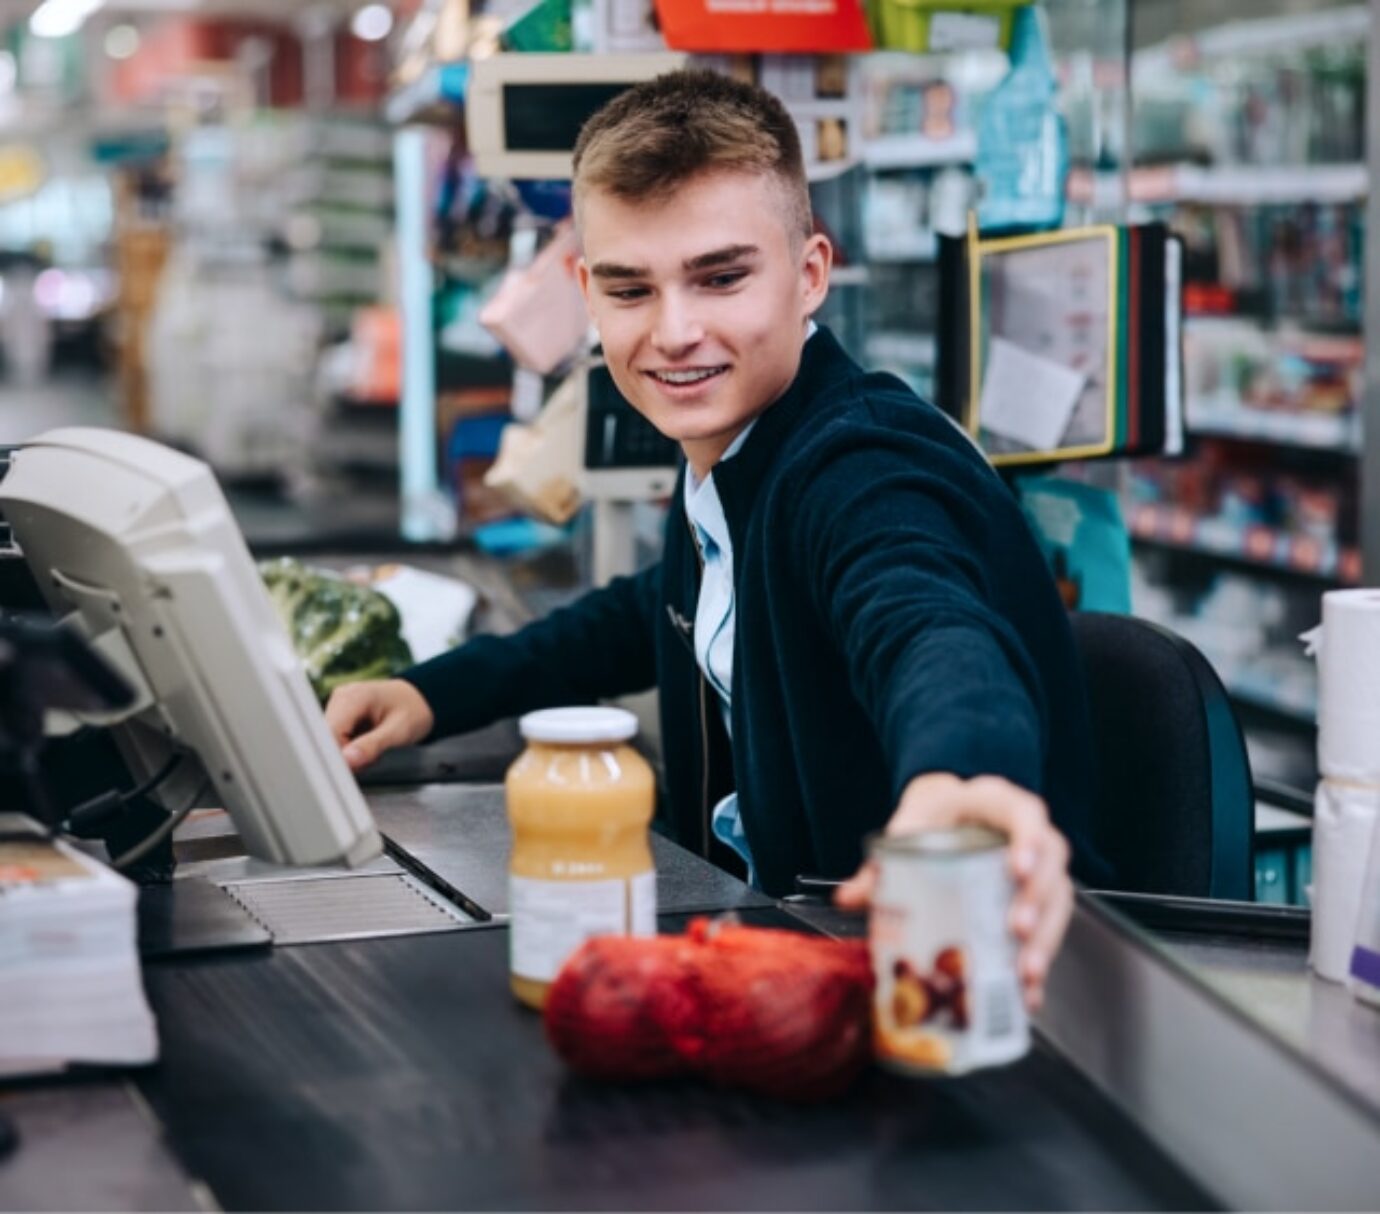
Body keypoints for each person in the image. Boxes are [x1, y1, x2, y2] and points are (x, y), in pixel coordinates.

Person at [325, 69, 1104, 1010]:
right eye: (629, 289)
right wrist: (429, 693)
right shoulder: (735, 453)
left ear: (810, 272)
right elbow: (653, 603)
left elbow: (925, 620)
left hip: (976, 985)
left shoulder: (859, 464)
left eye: (721, 276)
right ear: (586, 293)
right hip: (814, 968)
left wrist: (962, 781)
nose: (675, 333)